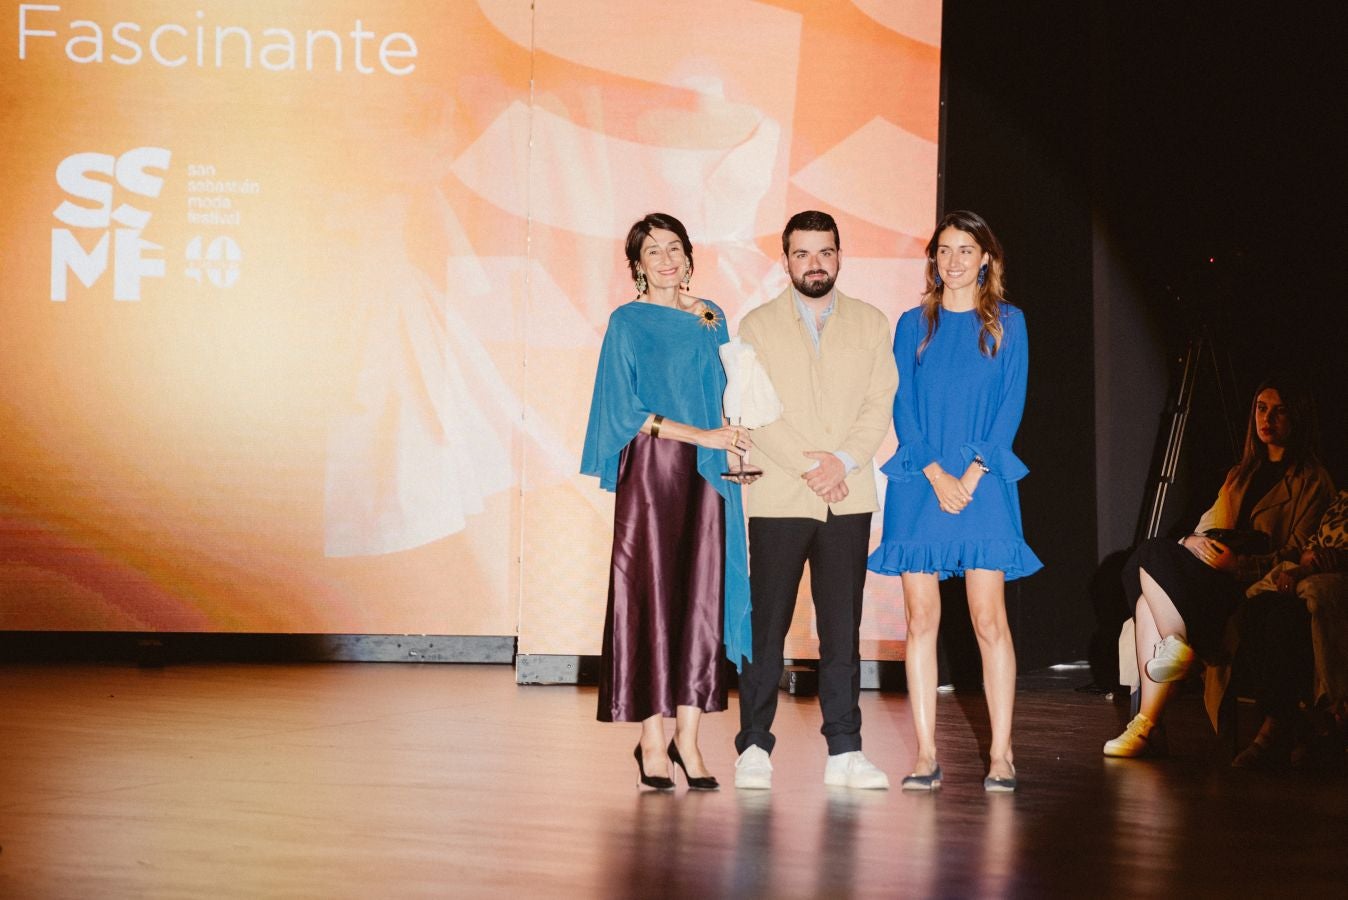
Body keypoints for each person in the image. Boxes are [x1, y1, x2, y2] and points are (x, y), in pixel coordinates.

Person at [580, 213, 759, 791]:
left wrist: (733, 436)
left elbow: (730, 391)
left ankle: (690, 737)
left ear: (689, 255)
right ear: (636, 264)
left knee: (702, 594)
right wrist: (700, 435)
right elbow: (622, 410)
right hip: (654, 471)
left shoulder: (712, 316)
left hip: (709, 472)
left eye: (674, 248)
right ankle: (652, 739)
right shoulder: (626, 322)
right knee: (652, 596)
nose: (666, 259)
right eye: (652, 251)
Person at [869, 210, 1042, 792]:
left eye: (966, 250)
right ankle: (924, 753)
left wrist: (970, 473)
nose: (953, 261)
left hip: (985, 481)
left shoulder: (1008, 324)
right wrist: (939, 473)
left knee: (989, 620)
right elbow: (903, 407)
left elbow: (1010, 406)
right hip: (921, 481)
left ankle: (1001, 754)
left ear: (986, 258)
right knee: (921, 620)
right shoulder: (912, 324)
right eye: (944, 250)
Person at [732, 210, 898, 790]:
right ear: (786, 261)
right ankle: (754, 744)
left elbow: (880, 403)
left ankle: (845, 750)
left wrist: (843, 463)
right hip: (781, 494)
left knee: (841, 630)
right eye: (802, 254)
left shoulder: (873, 324)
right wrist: (812, 466)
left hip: (847, 497)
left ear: (839, 255)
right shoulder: (755, 325)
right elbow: (753, 411)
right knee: (767, 628)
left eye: (824, 252)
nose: (814, 264)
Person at [1105, 376, 1335, 758]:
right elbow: (1210, 528)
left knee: (1148, 578)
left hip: (1247, 582)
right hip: (1213, 574)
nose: (1268, 419)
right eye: (1262, 409)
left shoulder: (1313, 481)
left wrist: (1240, 565)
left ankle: (1149, 723)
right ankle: (1166, 671)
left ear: (1297, 416)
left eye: (1279, 410)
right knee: (1149, 564)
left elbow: (1297, 552)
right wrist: (1191, 542)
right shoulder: (1239, 474)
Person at [1229, 490, 1347, 768]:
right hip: (1315, 577)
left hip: (1335, 584)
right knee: (1254, 608)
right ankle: (1292, 723)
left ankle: (1277, 727)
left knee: (1286, 616)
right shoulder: (1341, 499)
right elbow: (1313, 543)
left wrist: (1335, 560)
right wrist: (1309, 559)